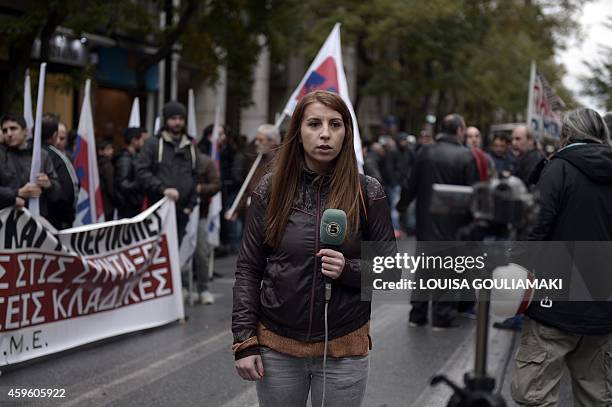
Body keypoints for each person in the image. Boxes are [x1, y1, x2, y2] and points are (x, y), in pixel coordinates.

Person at [232, 90, 395, 406]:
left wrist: (348, 270)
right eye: (314, 124)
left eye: (335, 124)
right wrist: (245, 341)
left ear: (346, 133)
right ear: (298, 132)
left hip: (343, 350)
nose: (325, 134)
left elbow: (389, 272)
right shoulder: (271, 189)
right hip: (278, 348)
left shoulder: (368, 192)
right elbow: (249, 268)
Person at [511, 108, 612, 406]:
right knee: (598, 397)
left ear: (565, 135)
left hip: (553, 302)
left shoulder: (558, 169)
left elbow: (535, 227)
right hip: (603, 306)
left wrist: (517, 272)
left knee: (536, 396)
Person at [396, 114, 479, 329]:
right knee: (447, 270)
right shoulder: (465, 156)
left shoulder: (426, 151)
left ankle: (418, 313)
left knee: (424, 268)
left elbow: (409, 183)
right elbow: (474, 194)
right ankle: (442, 316)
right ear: (460, 130)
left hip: (426, 222)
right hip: (454, 225)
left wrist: (402, 205)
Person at [135, 101, 198, 244]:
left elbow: (195, 176)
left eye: (181, 119)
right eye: (173, 118)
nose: (177, 122)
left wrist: (190, 206)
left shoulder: (191, 146)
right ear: (166, 120)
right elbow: (141, 171)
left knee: (175, 252)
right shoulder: (153, 143)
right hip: (158, 210)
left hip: (182, 212)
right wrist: (163, 189)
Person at [0, 113, 60, 214]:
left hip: (37, 220)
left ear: (25, 131)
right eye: (5, 130)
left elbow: (58, 193)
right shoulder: (1, 156)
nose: (9, 134)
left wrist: (49, 184)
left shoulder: (41, 155)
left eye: (13, 128)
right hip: (8, 219)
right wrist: (17, 193)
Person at [226, 123, 280, 221]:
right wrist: (237, 210)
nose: (256, 143)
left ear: (272, 142)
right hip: (251, 215)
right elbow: (249, 190)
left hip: (268, 218)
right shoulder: (257, 160)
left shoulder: (281, 164)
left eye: (261, 140)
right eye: (256, 139)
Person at [41, 114, 79, 229]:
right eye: (58, 137)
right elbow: (70, 193)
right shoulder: (55, 156)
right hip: (53, 222)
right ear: (54, 135)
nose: (58, 142)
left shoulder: (64, 157)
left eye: (63, 139)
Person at [193, 152, 222, 304]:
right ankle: (184, 287)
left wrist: (199, 189)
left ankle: (203, 288)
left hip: (201, 213)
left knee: (201, 252)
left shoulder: (205, 162)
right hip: (181, 212)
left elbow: (216, 184)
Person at [114, 127, 146, 218]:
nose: (144, 143)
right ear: (134, 141)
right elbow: (123, 183)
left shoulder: (134, 157)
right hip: (128, 208)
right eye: (142, 140)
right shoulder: (125, 159)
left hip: (133, 206)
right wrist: (140, 184)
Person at [97, 138, 115, 221]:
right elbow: (111, 187)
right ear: (100, 151)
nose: (111, 151)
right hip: (107, 205)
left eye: (111, 148)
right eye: (108, 149)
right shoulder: (107, 166)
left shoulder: (97, 164)